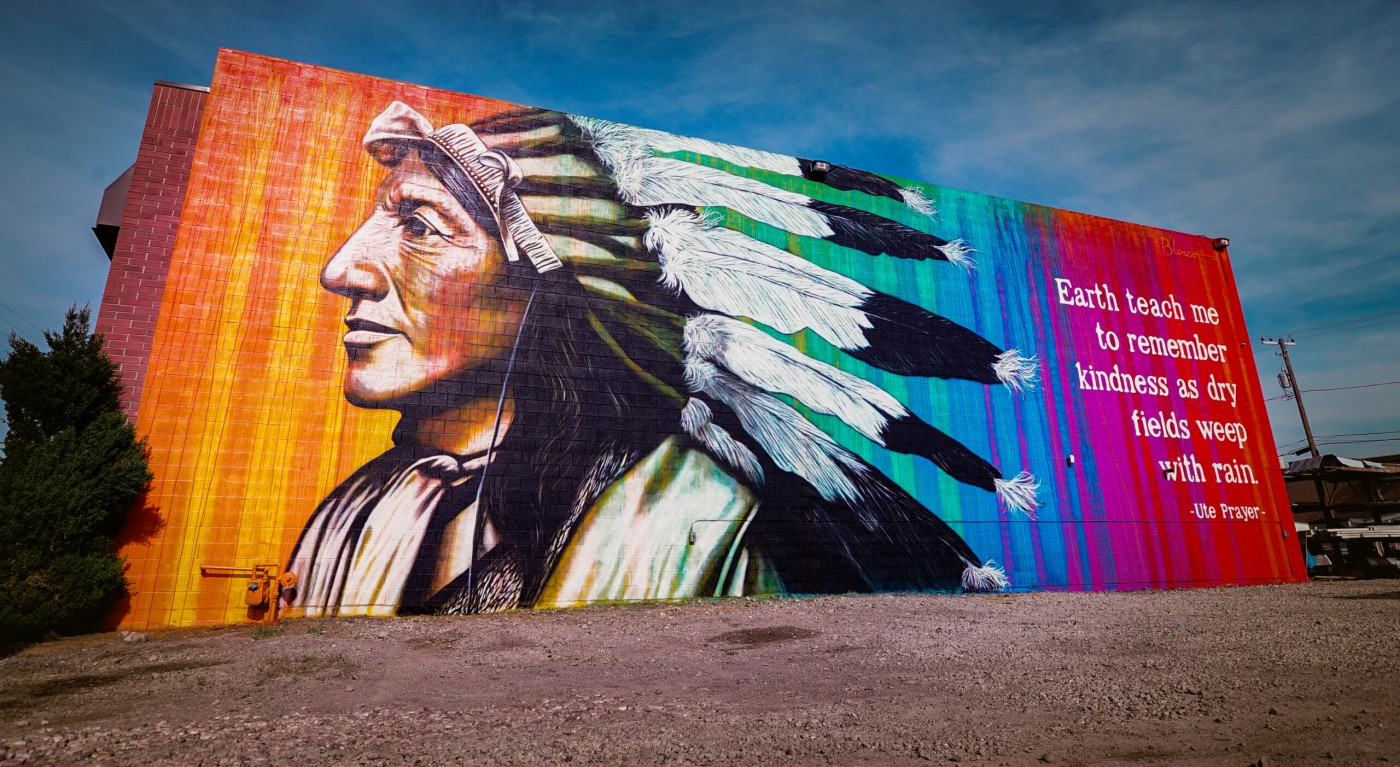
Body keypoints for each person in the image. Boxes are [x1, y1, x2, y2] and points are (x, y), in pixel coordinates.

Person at [287, 102, 1039, 617]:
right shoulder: (350, 511)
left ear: (548, 291)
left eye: (420, 225)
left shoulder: (696, 521)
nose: (342, 268)